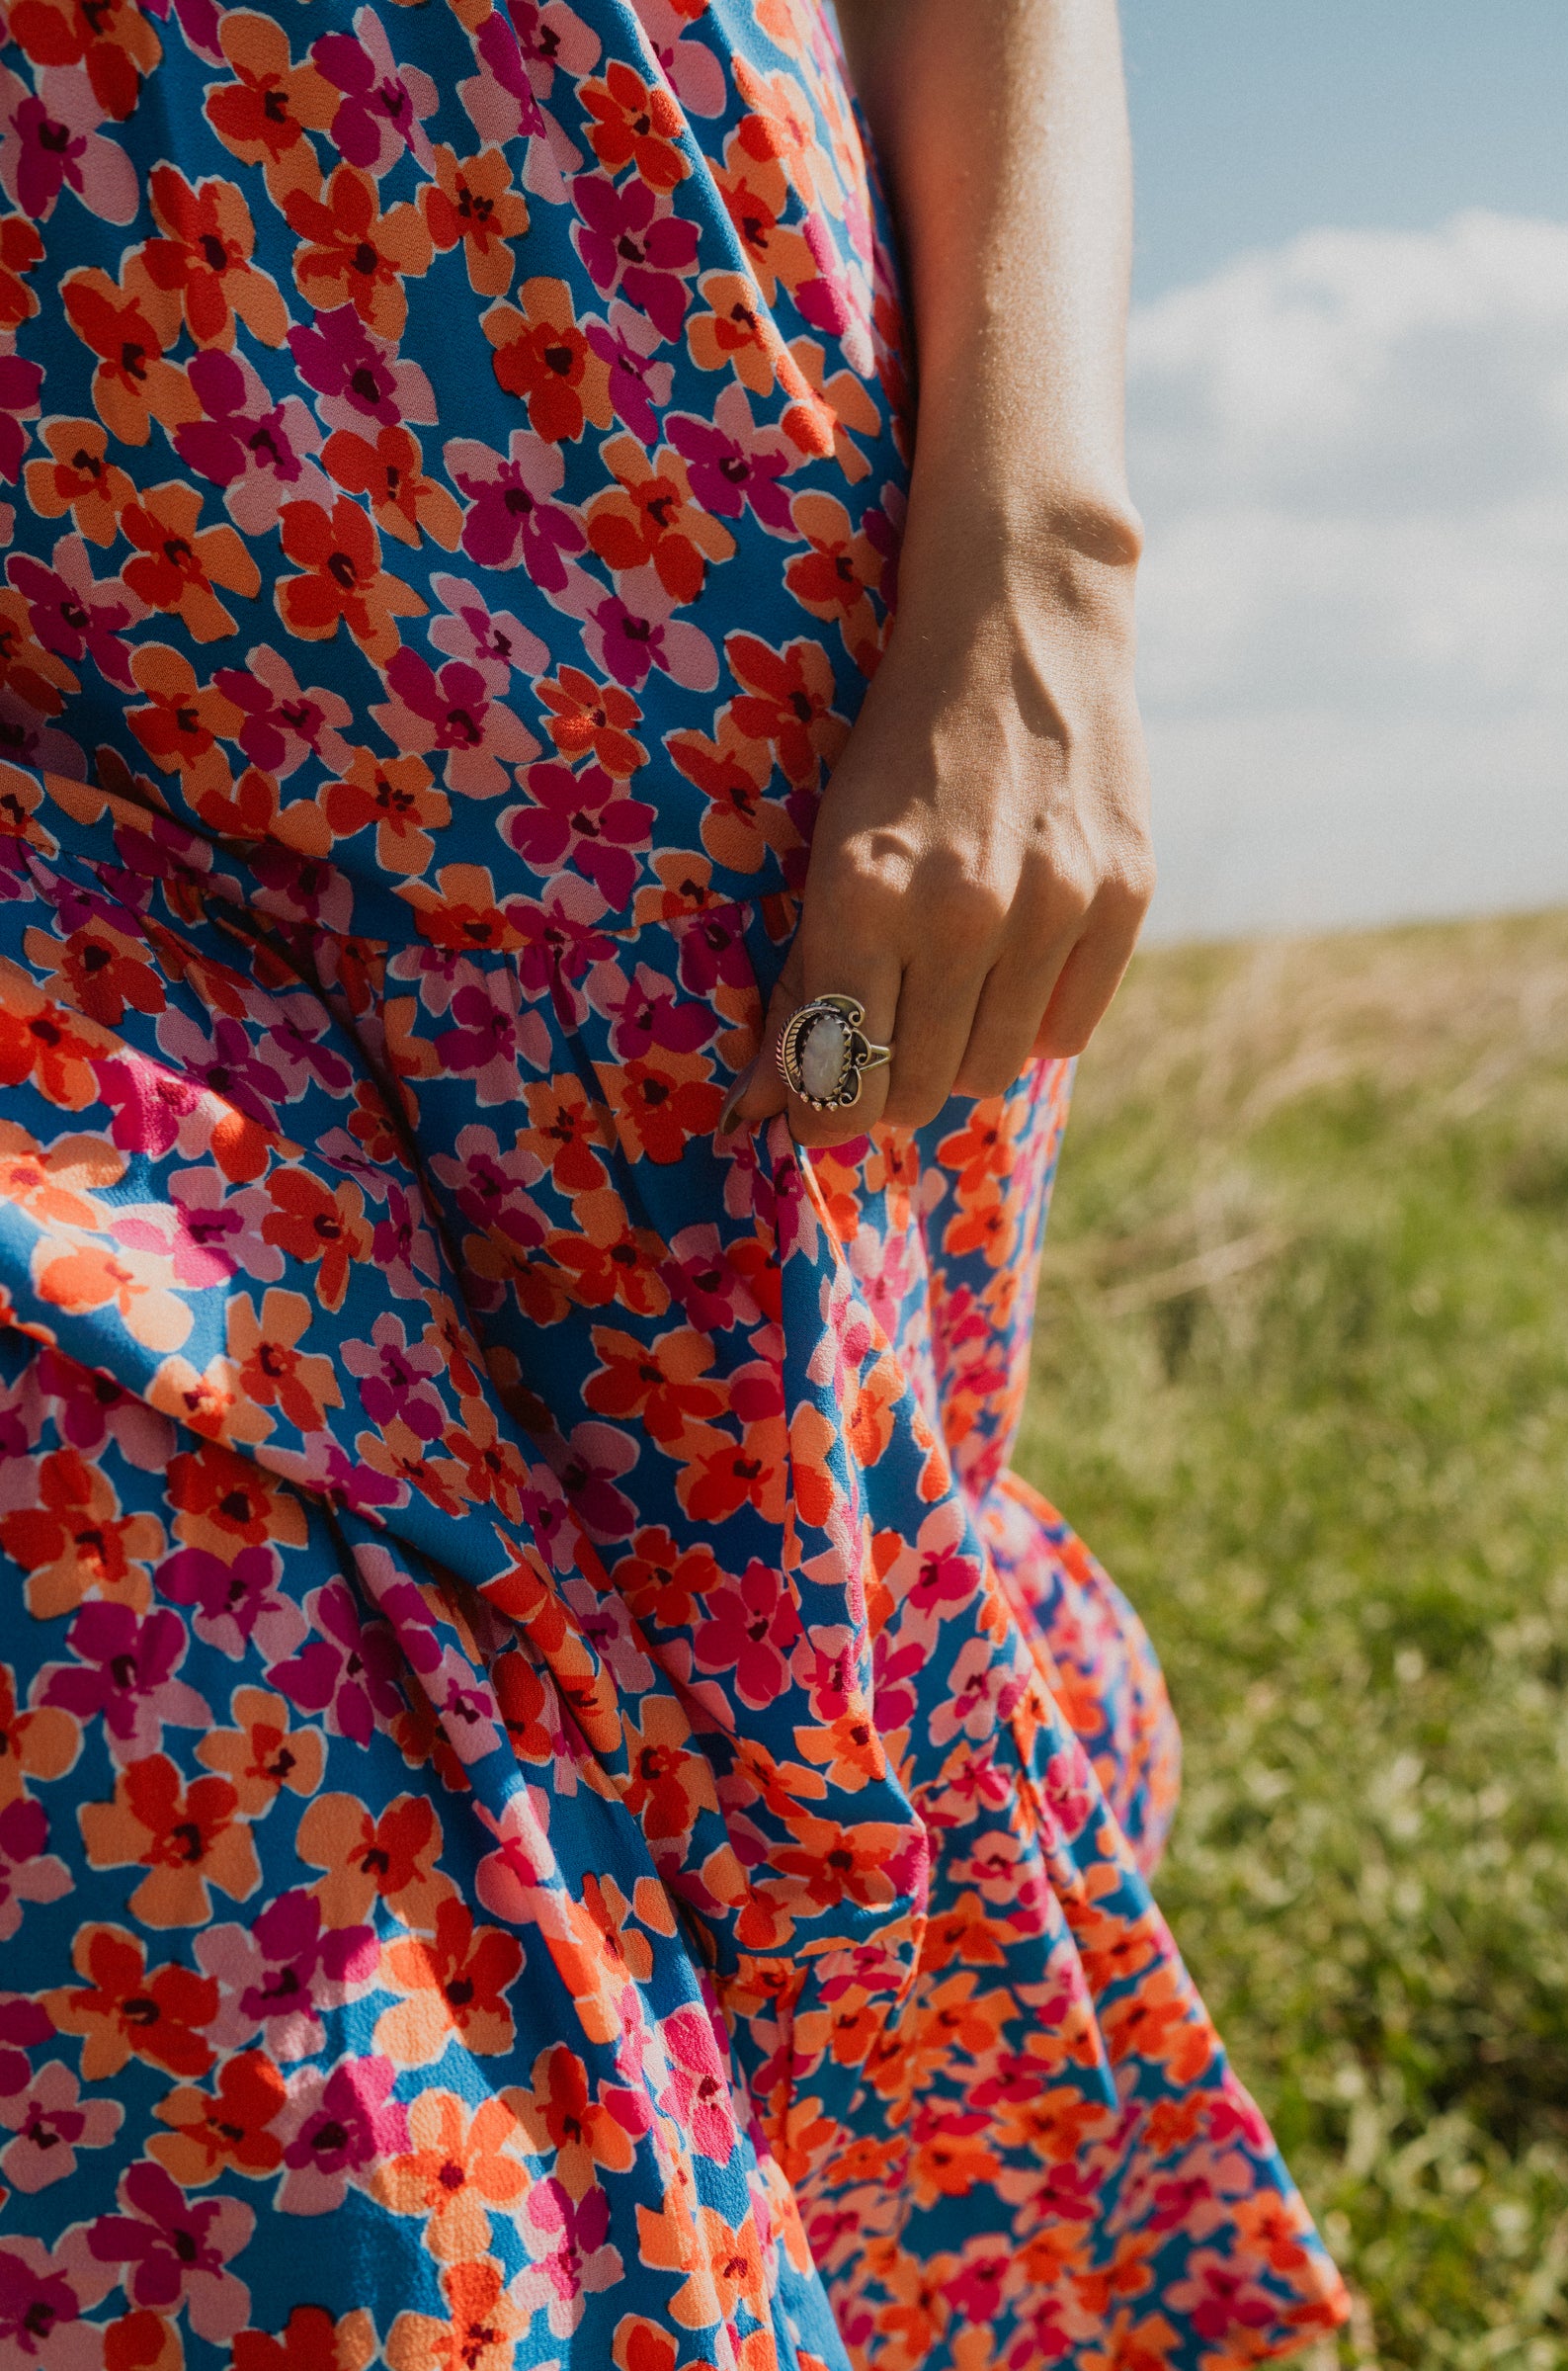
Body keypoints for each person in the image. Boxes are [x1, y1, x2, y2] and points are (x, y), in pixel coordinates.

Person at [0, 0, 1349, 2360]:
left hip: (626, 545)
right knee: (185, 1723)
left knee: (758, 1734)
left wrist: (1037, 552)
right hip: (54, 702)